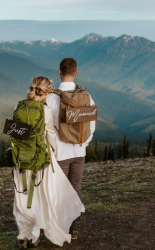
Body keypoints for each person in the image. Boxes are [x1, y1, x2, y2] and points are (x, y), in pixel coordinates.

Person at [13, 76, 85, 249]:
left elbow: (14, 132)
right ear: (46, 94)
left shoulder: (18, 106)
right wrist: (55, 151)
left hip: (21, 160)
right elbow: (51, 135)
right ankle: (34, 235)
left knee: (22, 197)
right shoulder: (44, 111)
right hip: (40, 161)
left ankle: (24, 235)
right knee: (39, 198)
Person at [46, 58, 96, 239]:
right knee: (75, 188)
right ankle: (74, 228)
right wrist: (83, 143)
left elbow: (47, 127)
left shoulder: (51, 97)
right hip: (79, 152)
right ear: (76, 72)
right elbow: (91, 125)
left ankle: (61, 227)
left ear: (59, 72)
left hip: (59, 153)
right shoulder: (86, 96)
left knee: (59, 190)